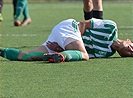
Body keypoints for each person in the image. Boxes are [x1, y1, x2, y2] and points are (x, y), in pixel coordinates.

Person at [0, 18, 133, 63]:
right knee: (85, 55)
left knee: (28, 57)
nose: (130, 50)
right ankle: (60, 57)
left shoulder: (107, 53)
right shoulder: (111, 27)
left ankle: (2, 51)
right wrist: (65, 51)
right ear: (129, 40)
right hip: (70, 27)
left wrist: (61, 48)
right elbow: (83, 24)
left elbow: (76, 53)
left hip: (61, 40)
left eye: (131, 54)